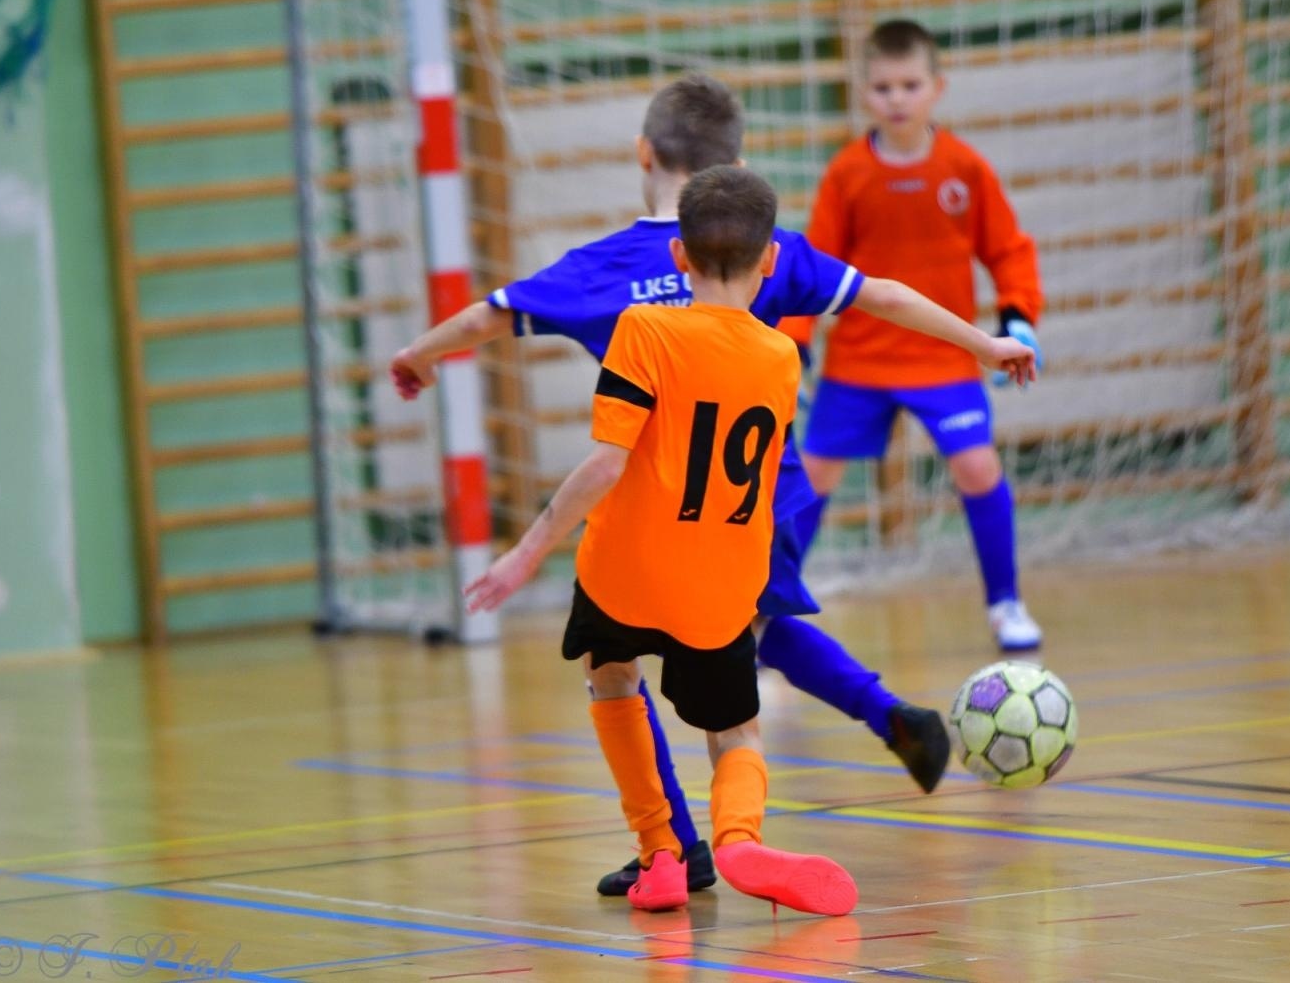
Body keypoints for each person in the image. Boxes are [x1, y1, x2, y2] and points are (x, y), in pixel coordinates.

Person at [390, 74, 1035, 897]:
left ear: (643, 154)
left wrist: (420, 353)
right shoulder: (774, 255)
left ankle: (675, 846)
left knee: (622, 659)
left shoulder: (602, 273)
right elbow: (881, 295)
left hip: (653, 511)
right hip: (764, 499)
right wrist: (981, 342)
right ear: (740, 163)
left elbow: (490, 313)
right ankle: (880, 726)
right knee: (742, 640)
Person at [463, 165, 857, 914]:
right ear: (771, 260)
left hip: (626, 567)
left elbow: (607, 462)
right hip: (720, 581)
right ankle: (738, 840)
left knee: (611, 675)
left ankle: (661, 853)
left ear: (677, 256)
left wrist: (528, 550)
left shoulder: (642, 329)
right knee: (734, 727)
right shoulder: (779, 357)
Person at [779, 18, 1047, 653]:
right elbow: (812, 265)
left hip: (945, 360)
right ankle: (771, 613)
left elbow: (1010, 250)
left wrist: (1017, 315)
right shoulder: (846, 174)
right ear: (863, 93)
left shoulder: (965, 170)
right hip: (860, 363)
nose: (896, 98)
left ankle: (1005, 603)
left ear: (936, 88)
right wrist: (793, 339)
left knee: (978, 467)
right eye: (882, 87)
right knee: (810, 475)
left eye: (909, 84)